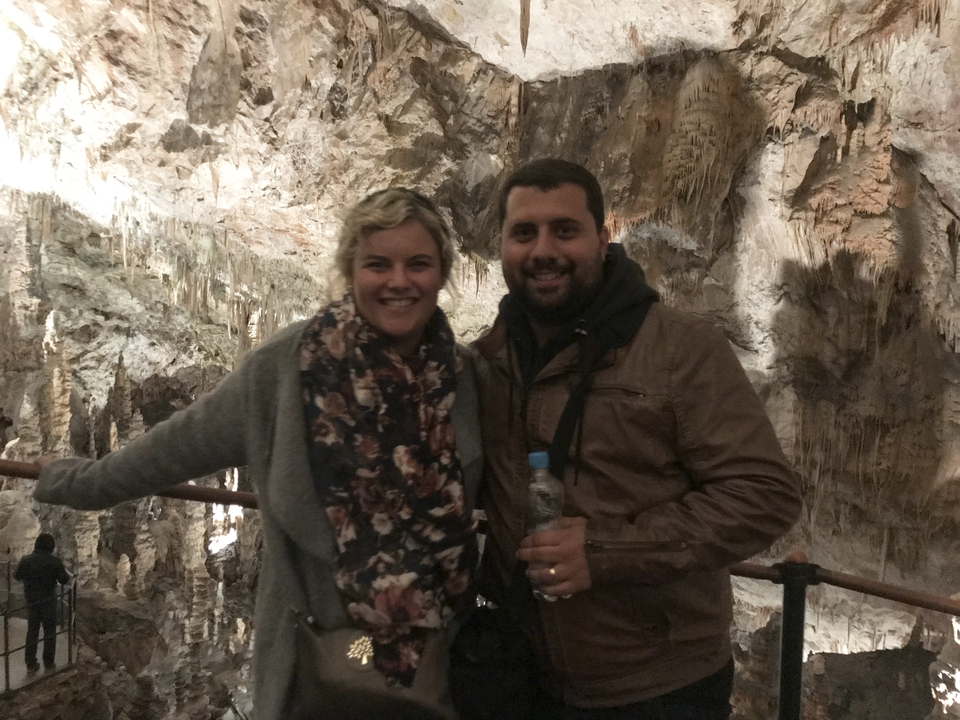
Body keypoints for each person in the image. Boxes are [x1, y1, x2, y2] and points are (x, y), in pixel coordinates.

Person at [33, 188, 482, 720]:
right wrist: (69, 480)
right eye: (378, 263)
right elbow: (171, 451)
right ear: (350, 270)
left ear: (442, 273)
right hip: (316, 660)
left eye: (418, 264)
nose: (399, 280)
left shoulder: (465, 378)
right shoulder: (286, 370)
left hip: (430, 659)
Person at [470, 159, 802, 719]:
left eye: (565, 230)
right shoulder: (489, 361)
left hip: (658, 687)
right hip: (524, 677)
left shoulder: (680, 349)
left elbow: (765, 495)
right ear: (501, 244)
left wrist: (604, 550)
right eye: (523, 232)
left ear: (603, 239)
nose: (543, 250)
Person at [14, 532, 71, 673]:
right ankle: (49, 661)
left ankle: (31, 663)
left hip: (32, 600)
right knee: (49, 631)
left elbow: (17, 576)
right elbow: (64, 579)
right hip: (48, 600)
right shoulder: (54, 561)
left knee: (32, 631)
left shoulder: (26, 560)